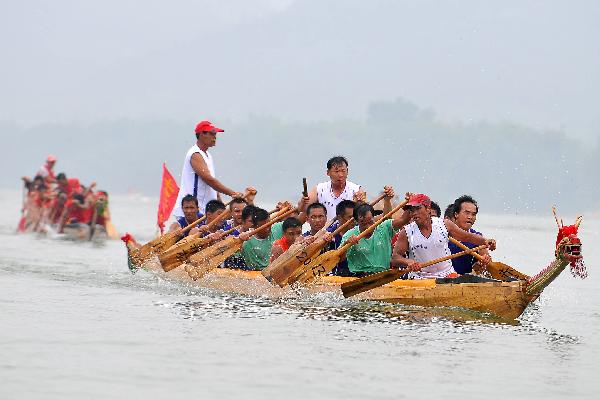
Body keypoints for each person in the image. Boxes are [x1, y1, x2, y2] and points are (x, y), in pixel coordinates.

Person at [391, 194, 496, 279]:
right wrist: (408, 262)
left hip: (447, 275)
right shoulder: (406, 232)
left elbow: (467, 237)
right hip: (420, 277)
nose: (414, 213)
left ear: (428, 208)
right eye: (411, 210)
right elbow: (395, 258)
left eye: (417, 209)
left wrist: (486, 241)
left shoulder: (444, 224)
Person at [172, 120, 242, 218]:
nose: (215, 137)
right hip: (191, 211)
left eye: (215, 134)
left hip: (205, 211)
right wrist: (232, 193)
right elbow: (209, 180)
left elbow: (212, 186)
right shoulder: (195, 154)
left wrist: (221, 205)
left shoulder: (208, 155)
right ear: (201, 135)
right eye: (212, 134)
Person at [340, 186, 407, 276]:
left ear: (373, 218)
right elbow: (340, 259)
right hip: (358, 277)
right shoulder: (349, 235)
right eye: (364, 223)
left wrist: (409, 203)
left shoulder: (383, 228)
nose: (368, 227)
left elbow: (403, 220)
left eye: (370, 222)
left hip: (382, 275)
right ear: (356, 221)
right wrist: (346, 245)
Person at [300, 156, 365, 220]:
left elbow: (364, 212)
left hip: (348, 228)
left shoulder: (356, 189)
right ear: (328, 172)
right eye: (336, 171)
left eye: (343, 171)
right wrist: (303, 203)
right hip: (325, 228)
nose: (340, 175)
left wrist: (360, 202)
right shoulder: (319, 189)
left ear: (347, 171)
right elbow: (303, 209)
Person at [447, 195, 492, 275]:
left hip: (465, 281)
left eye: (473, 214)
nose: (470, 217)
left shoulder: (478, 237)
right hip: (443, 278)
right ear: (456, 214)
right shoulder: (443, 234)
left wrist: (483, 264)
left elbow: (486, 266)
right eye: (467, 213)